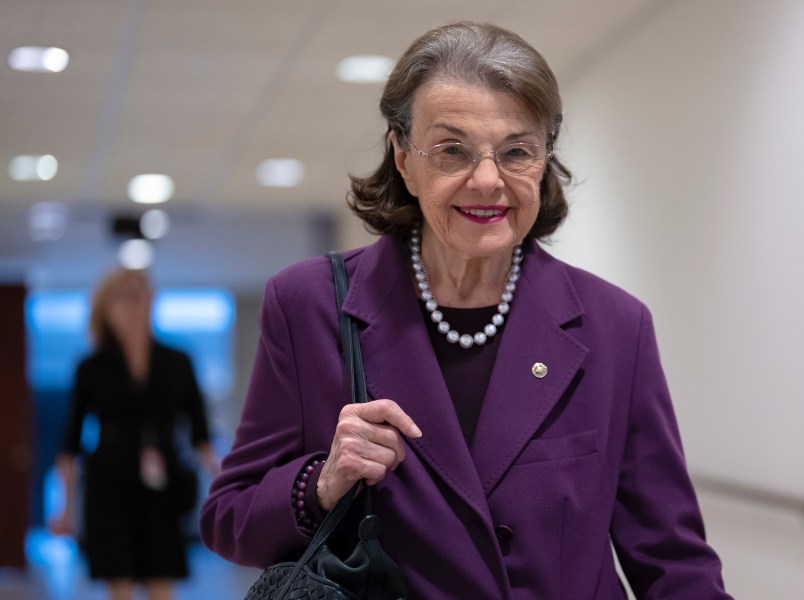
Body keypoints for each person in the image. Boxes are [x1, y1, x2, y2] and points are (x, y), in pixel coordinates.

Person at [199, 21, 731, 599]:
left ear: (544, 160)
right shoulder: (309, 306)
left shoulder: (614, 326)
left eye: (516, 152)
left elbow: (673, 560)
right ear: (404, 159)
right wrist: (322, 481)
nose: (486, 180)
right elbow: (229, 520)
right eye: (452, 150)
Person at [51, 268, 219, 600]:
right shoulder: (91, 367)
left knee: (162, 579)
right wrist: (65, 509)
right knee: (119, 582)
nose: (133, 304)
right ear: (105, 307)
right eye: (124, 296)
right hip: (109, 485)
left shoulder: (178, 361)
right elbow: (70, 444)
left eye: (140, 294)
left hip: (164, 487)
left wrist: (224, 490)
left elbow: (201, 436)